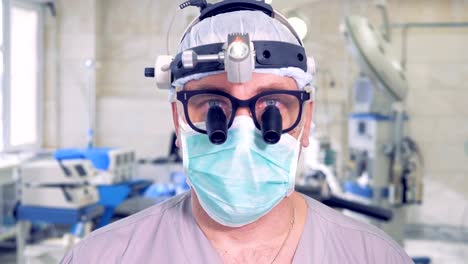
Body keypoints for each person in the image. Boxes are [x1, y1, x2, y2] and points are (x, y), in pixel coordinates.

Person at [61, 1, 413, 263]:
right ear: (178, 120)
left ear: (305, 120)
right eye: (214, 105)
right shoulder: (103, 256)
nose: (243, 135)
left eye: (272, 107)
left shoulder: (374, 256)